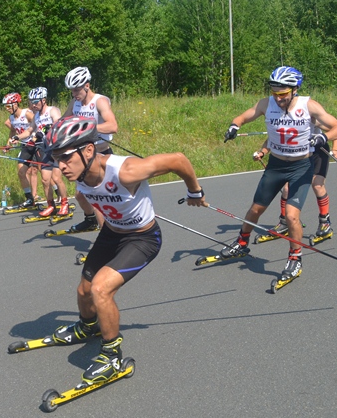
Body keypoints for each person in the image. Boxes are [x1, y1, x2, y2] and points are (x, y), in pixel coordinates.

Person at [44, 116, 207, 384]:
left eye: (65, 158)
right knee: (84, 292)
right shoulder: (81, 173)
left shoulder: (126, 171)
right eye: (56, 159)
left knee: (100, 289)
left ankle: (112, 356)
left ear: (88, 150)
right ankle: (88, 327)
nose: (60, 167)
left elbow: (178, 159)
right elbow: (88, 195)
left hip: (143, 238)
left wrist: (194, 192)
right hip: (112, 234)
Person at [222, 66, 337, 284]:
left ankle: (295, 258)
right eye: (274, 92)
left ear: (295, 90)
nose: (278, 98)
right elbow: (242, 117)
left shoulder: (309, 106)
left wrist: (323, 138)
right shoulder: (265, 104)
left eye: (283, 94)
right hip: (276, 165)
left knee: (291, 216)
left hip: (301, 166)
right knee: (256, 209)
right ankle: (241, 243)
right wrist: (234, 126)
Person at [254, 126, 337, 244]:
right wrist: (262, 152)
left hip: (318, 151)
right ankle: (284, 223)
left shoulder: (310, 111)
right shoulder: (283, 117)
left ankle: (325, 223)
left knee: (317, 185)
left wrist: (336, 149)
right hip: (300, 153)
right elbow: (273, 138)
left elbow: (336, 128)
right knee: (287, 188)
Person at [64, 66, 118, 233]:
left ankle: (106, 240)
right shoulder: (75, 102)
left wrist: (87, 127)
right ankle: (90, 221)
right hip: (84, 156)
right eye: (72, 91)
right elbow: (63, 120)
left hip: (100, 154)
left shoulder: (100, 101)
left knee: (99, 199)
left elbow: (112, 126)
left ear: (87, 85)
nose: (74, 94)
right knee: (80, 195)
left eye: (77, 90)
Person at [27, 87, 71, 218]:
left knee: (57, 178)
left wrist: (44, 131)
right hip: (47, 151)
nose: (33, 105)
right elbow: (30, 130)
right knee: (45, 180)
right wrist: (17, 138)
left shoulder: (53, 110)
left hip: (58, 150)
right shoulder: (36, 116)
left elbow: (58, 124)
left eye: (36, 102)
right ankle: (51, 205)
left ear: (43, 100)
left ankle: (65, 203)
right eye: (31, 102)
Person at [3, 92, 39, 209]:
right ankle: (29, 198)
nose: (7, 109)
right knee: (21, 171)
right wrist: (8, 144)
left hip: (37, 144)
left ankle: (58, 194)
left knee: (44, 172)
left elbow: (39, 125)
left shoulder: (27, 114)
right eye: (5, 107)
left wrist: (34, 137)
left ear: (16, 104)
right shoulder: (12, 118)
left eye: (9, 106)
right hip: (25, 146)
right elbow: (13, 131)